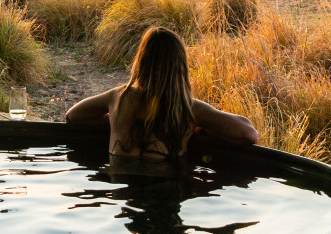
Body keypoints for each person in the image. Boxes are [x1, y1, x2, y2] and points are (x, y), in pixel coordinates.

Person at [64, 26, 259, 161]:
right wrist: (200, 128)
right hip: (165, 189)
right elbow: (248, 134)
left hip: (124, 189)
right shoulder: (188, 109)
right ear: (180, 66)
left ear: (141, 61)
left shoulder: (119, 98)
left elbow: (73, 116)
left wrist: (116, 120)